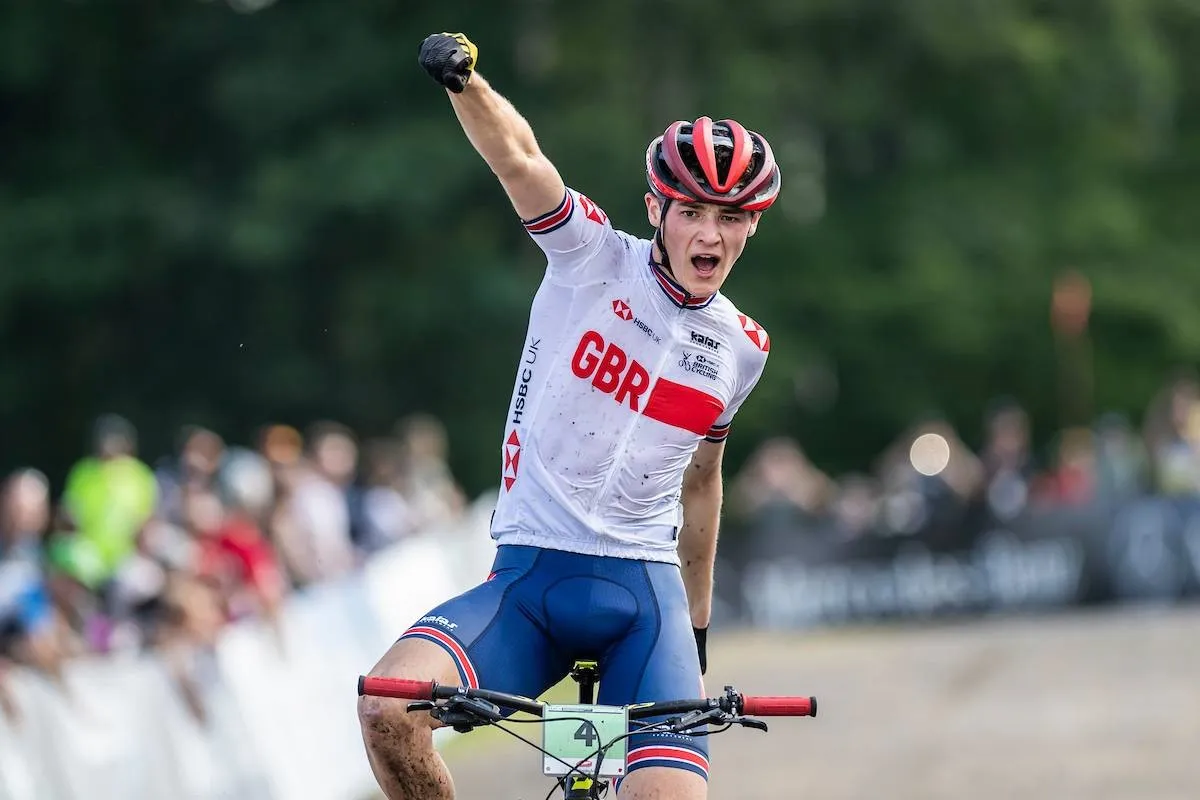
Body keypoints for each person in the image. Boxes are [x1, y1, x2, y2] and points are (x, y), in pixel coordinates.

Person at [358, 32, 782, 800]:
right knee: (387, 706)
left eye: (732, 215)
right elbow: (520, 158)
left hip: (644, 606)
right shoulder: (591, 256)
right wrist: (465, 84)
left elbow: (703, 485)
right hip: (529, 579)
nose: (710, 234)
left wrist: (697, 626)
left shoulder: (742, 349)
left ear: (753, 224)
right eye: (692, 211)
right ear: (658, 207)